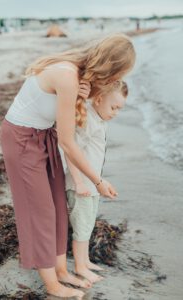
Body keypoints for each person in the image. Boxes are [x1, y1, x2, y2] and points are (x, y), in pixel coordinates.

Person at [0, 34, 136, 299]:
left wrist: (80, 98)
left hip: (43, 134)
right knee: (40, 211)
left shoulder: (80, 79)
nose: (115, 80)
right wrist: (97, 181)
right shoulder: (67, 75)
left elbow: (63, 116)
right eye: (118, 73)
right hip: (21, 138)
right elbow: (69, 142)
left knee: (59, 208)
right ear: (110, 65)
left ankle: (61, 271)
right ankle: (52, 285)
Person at [65, 81, 128, 284]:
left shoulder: (99, 120)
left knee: (88, 224)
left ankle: (85, 261)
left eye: (119, 109)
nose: (115, 113)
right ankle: (80, 267)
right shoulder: (88, 120)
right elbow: (70, 152)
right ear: (99, 99)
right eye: (113, 107)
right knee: (82, 227)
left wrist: (100, 181)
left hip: (91, 184)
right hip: (80, 186)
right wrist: (79, 182)